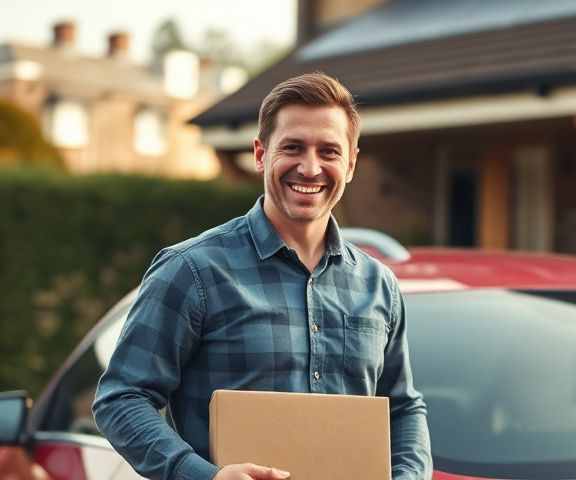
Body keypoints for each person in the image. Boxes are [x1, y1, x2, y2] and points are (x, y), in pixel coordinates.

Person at [92, 72, 432, 480]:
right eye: (292, 148)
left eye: (329, 151)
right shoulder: (192, 270)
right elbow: (122, 398)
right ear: (260, 154)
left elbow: (403, 407)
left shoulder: (378, 285)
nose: (310, 168)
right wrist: (203, 476)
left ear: (352, 163)